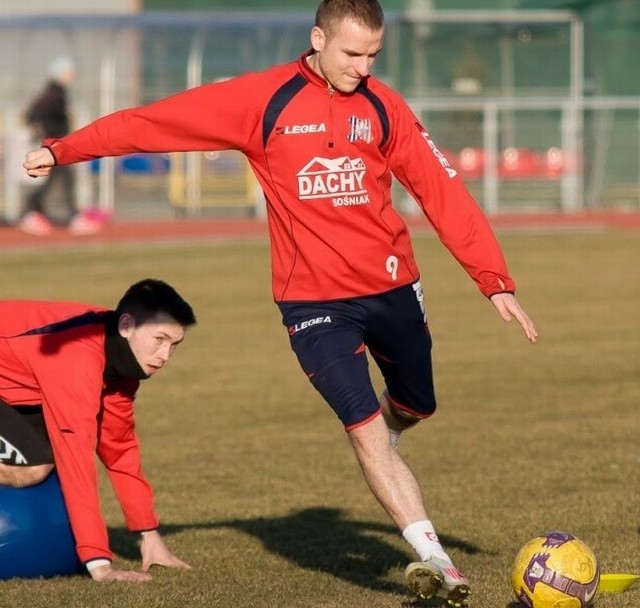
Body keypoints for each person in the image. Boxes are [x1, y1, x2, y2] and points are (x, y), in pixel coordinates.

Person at [24, 0, 538, 603]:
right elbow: (156, 121)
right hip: (313, 303)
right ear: (318, 38)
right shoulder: (262, 101)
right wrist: (64, 149)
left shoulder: (383, 106)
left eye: (374, 55)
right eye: (351, 53)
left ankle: (395, 434)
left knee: (415, 404)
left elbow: (440, 190)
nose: (363, 67)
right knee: (363, 428)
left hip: (394, 287)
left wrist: (493, 278)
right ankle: (435, 561)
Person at [0, 279, 197, 583]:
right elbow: (76, 458)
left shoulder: (122, 367)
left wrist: (149, 534)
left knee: (42, 457)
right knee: (36, 466)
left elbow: (119, 449)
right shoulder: (77, 357)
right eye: (159, 339)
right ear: (127, 325)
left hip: (13, 388)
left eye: (174, 345)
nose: (165, 355)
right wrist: (99, 564)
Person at [20, 55, 102, 236]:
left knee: (56, 181)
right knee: (64, 180)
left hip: (56, 143)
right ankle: (68, 216)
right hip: (55, 145)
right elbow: (33, 114)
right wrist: (47, 132)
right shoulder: (54, 94)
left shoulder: (55, 92)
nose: (71, 75)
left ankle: (34, 211)